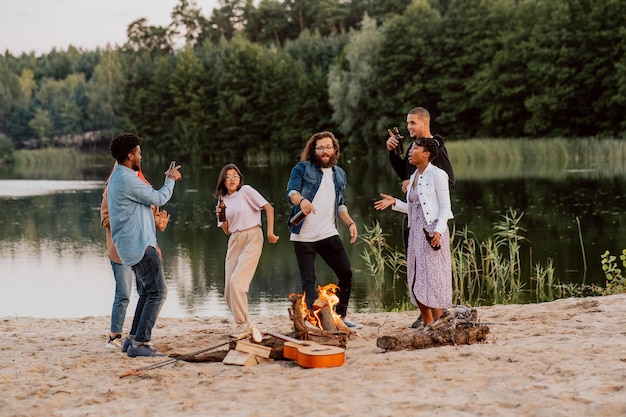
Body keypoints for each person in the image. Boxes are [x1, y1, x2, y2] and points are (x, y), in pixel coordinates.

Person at [107, 133, 182, 357]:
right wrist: (171, 179)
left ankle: (131, 341)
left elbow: (141, 209)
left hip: (131, 246)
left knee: (149, 292)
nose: (141, 155)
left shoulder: (119, 178)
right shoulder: (127, 179)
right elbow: (159, 198)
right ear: (130, 155)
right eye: (138, 152)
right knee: (159, 292)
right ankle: (141, 343)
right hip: (140, 246)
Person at [374, 136, 453, 327]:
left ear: (426, 154)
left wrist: (438, 232)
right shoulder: (414, 177)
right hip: (415, 231)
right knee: (417, 278)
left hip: (432, 231)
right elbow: (414, 208)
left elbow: (445, 208)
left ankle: (438, 322)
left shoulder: (438, 174)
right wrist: (395, 202)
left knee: (433, 277)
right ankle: (427, 323)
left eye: (415, 148)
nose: (410, 150)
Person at [285, 131, 359, 328]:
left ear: (335, 149)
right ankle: (312, 320)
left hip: (328, 233)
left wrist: (350, 223)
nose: (325, 151)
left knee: (346, 273)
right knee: (309, 281)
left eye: (328, 147)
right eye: (320, 148)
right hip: (303, 236)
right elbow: (291, 192)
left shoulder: (340, 174)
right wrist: (302, 201)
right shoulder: (302, 168)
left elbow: (340, 205)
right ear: (313, 150)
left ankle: (340, 317)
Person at [100, 164, 170, 350]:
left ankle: (134, 337)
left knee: (145, 292)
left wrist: (158, 224)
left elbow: (150, 216)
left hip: (145, 247)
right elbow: (105, 219)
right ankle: (116, 336)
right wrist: (126, 217)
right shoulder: (112, 191)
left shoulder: (142, 188)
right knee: (124, 293)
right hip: (121, 249)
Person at [214, 163, 279, 334]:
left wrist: (270, 232)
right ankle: (241, 322)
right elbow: (227, 230)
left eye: (235, 175)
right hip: (235, 240)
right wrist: (221, 215)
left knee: (237, 283)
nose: (232, 179)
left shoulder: (246, 191)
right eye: (227, 176)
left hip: (252, 236)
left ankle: (244, 324)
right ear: (223, 181)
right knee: (228, 289)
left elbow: (268, 208)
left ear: (240, 178)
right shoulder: (222, 200)